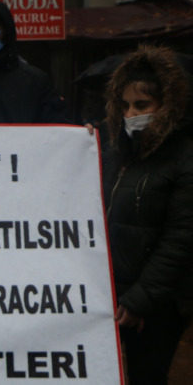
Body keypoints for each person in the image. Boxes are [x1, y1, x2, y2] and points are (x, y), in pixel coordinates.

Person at [102, 45, 193, 385]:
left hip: (158, 307)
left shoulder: (184, 159)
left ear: (168, 104)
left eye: (141, 105)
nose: (130, 114)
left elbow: (181, 241)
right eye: (124, 105)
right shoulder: (120, 154)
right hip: (116, 298)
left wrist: (140, 300)